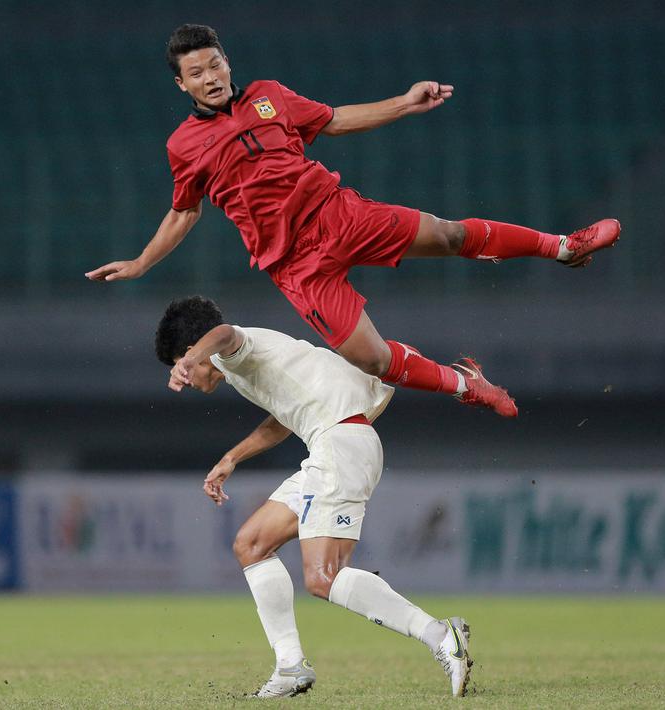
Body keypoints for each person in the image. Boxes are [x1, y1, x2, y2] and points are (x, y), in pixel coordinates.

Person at [89, 23, 624, 418]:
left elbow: (336, 119)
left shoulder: (270, 95)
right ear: (181, 85)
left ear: (227, 62)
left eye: (214, 65)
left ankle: (563, 247)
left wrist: (405, 104)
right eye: (196, 73)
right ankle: (466, 385)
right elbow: (185, 211)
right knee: (371, 360)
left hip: (337, 213)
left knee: (448, 234)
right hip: (295, 265)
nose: (210, 78)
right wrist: (141, 263)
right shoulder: (183, 145)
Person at [156, 295, 475, 697]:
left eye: (179, 364)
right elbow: (283, 420)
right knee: (251, 544)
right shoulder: (240, 366)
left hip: (340, 443)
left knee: (324, 577)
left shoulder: (229, 349)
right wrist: (231, 457)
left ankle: (439, 634)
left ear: (192, 351)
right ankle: (290, 666)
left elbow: (224, 333)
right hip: (331, 445)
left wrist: (192, 357)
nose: (183, 377)